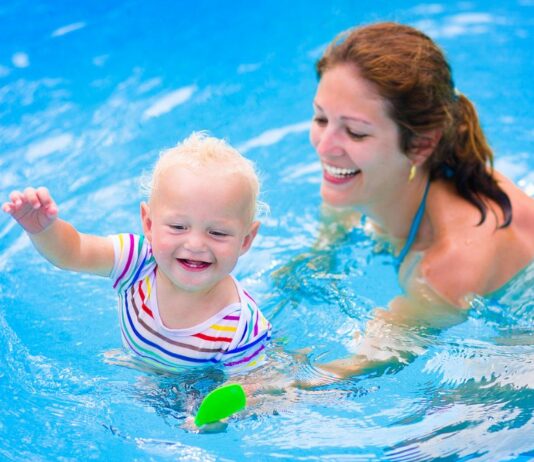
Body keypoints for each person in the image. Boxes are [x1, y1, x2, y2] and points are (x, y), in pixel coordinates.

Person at [302, 22, 534, 378]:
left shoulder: (446, 266)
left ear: (422, 145)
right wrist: (319, 254)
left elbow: (354, 368)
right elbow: (334, 218)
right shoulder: (358, 178)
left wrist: (266, 388)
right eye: (320, 118)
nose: (325, 145)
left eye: (356, 132)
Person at [2, 132, 272, 374]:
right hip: (137, 364)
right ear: (149, 224)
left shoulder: (242, 325)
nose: (196, 244)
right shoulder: (137, 261)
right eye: (178, 226)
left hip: (195, 388)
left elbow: (248, 388)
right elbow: (73, 252)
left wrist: (210, 415)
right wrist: (43, 230)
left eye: (218, 233)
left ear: (246, 240)